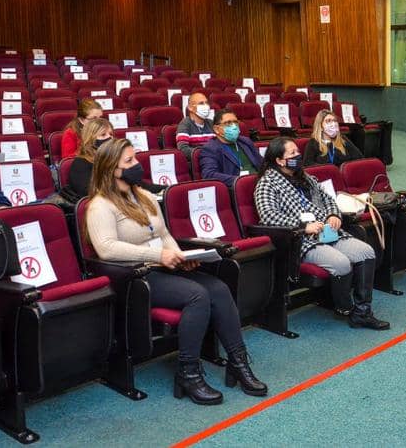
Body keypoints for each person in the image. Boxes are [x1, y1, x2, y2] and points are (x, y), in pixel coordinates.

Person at [86, 138, 266, 405]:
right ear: (112, 168)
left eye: (135, 158)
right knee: (197, 295)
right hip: (137, 275)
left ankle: (238, 363)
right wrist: (158, 255)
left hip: (165, 265)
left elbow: (164, 234)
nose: (137, 164)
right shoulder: (100, 205)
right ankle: (188, 372)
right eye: (129, 161)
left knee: (218, 288)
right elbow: (107, 249)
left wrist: (180, 257)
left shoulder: (144, 196)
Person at [254, 137, 389, 330]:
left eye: (297, 152)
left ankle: (362, 312)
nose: (298, 156)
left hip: (328, 231)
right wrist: (302, 225)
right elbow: (268, 217)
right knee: (341, 263)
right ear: (279, 160)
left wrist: (333, 214)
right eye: (292, 154)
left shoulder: (305, 176)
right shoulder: (267, 183)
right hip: (302, 239)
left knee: (366, 252)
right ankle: (345, 307)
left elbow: (329, 199)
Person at [62, 118, 167, 203]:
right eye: (103, 135)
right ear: (90, 139)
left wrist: (166, 189)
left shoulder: (116, 159)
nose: (110, 138)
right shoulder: (81, 163)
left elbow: (138, 184)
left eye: (111, 134)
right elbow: (90, 193)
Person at [199, 109, 262, 187]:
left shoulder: (245, 141)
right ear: (216, 129)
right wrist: (240, 181)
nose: (234, 126)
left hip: (260, 183)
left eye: (235, 122)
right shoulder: (210, 148)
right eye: (228, 123)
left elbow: (262, 163)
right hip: (238, 188)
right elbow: (209, 174)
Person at [176, 92, 216, 161]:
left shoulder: (211, 123)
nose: (206, 106)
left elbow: (219, 144)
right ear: (190, 108)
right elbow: (183, 150)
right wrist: (206, 154)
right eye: (201, 103)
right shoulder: (185, 124)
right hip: (197, 163)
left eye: (206, 103)